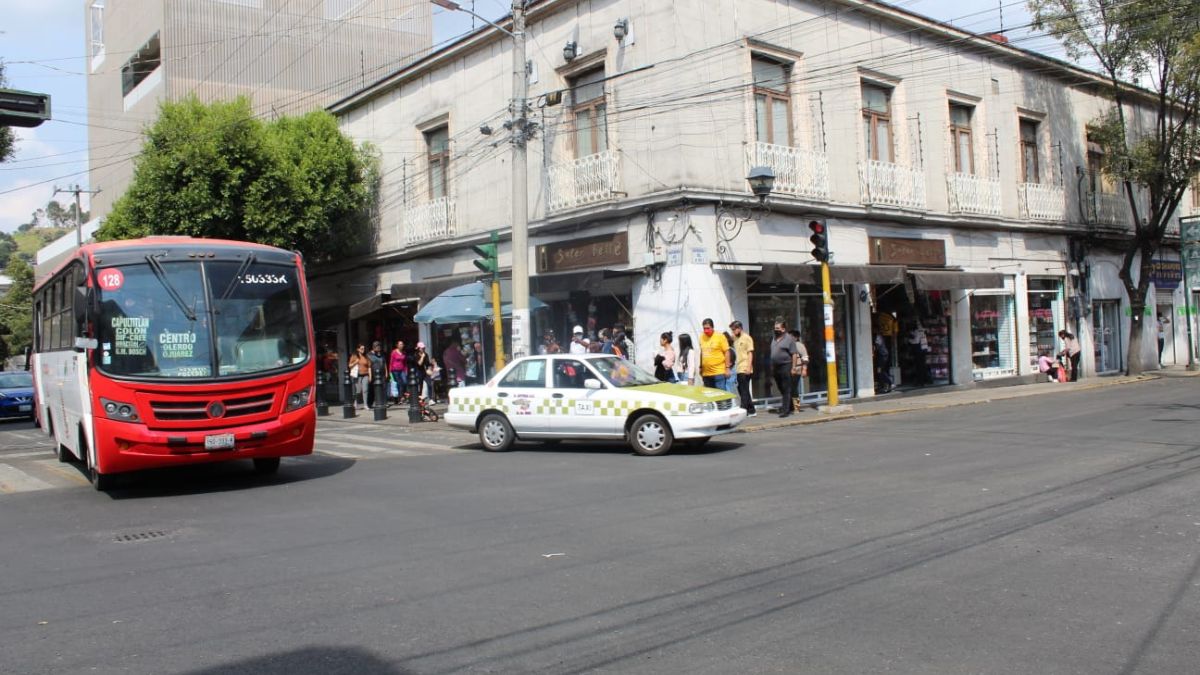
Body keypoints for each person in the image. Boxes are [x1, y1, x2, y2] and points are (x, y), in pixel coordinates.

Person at [770, 319, 802, 418]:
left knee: (786, 388)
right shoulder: (774, 338)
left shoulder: (789, 339)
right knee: (781, 387)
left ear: (783, 329)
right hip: (776, 367)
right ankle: (790, 406)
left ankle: (785, 410)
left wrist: (793, 368)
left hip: (786, 366)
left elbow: (794, 354)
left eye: (778, 328)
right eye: (775, 328)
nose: (776, 330)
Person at [730, 320, 756, 416]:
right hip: (738, 367)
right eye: (732, 330)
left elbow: (750, 353)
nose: (733, 332)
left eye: (734, 329)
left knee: (744, 390)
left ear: (739, 328)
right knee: (742, 389)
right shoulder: (735, 338)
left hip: (745, 367)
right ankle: (751, 410)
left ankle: (743, 410)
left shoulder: (747, 338)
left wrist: (749, 367)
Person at [698, 318, 732, 389]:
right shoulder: (702, 337)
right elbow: (702, 352)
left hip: (718, 373)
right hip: (706, 373)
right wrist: (701, 366)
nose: (706, 330)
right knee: (709, 396)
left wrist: (727, 368)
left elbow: (727, 352)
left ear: (712, 327)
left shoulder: (720, 336)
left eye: (708, 328)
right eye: (704, 328)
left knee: (720, 396)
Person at [788, 329, 810, 411]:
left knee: (793, 388)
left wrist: (804, 369)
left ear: (796, 337)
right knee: (788, 388)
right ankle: (790, 407)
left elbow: (805, 358)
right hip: (788, 370)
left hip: (797, 370)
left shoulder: (799, 345)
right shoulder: (788, 345)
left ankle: (796, 407)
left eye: (791, 336)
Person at [347, 344, 372, 410]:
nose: (363, 350)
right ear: (358, 349)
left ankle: (365, 404)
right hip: (357, 375)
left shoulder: (366, 356)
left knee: (365, 390)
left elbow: (369, 367)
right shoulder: (354, 356)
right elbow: (349, 365)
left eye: (363, 348)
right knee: (358, 391)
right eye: (361, 348)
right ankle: (356, 402)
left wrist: (370, 376)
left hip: (365, 375)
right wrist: (356, 362)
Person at [907, 321, 930, 386]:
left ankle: (920, 381)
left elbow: (916, 341)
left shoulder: (917, 331)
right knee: (922, 366)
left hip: (919, 351)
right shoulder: (923, 331)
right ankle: (923, 381)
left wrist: (909, 340)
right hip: (924, 350)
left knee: (919, 367)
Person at [389, 340, 408, 404]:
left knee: (405, 382)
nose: (401, 345)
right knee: (399, 383)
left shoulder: (404, 353)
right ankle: (400, 398)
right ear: (397, 345)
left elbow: (405, 362)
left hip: (402, 369)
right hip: (395, 370)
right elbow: (391, 361)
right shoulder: (394, 352)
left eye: (402, 344)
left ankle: (402, 396)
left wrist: (406, 370)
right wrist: (390, 371)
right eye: (400, 344)